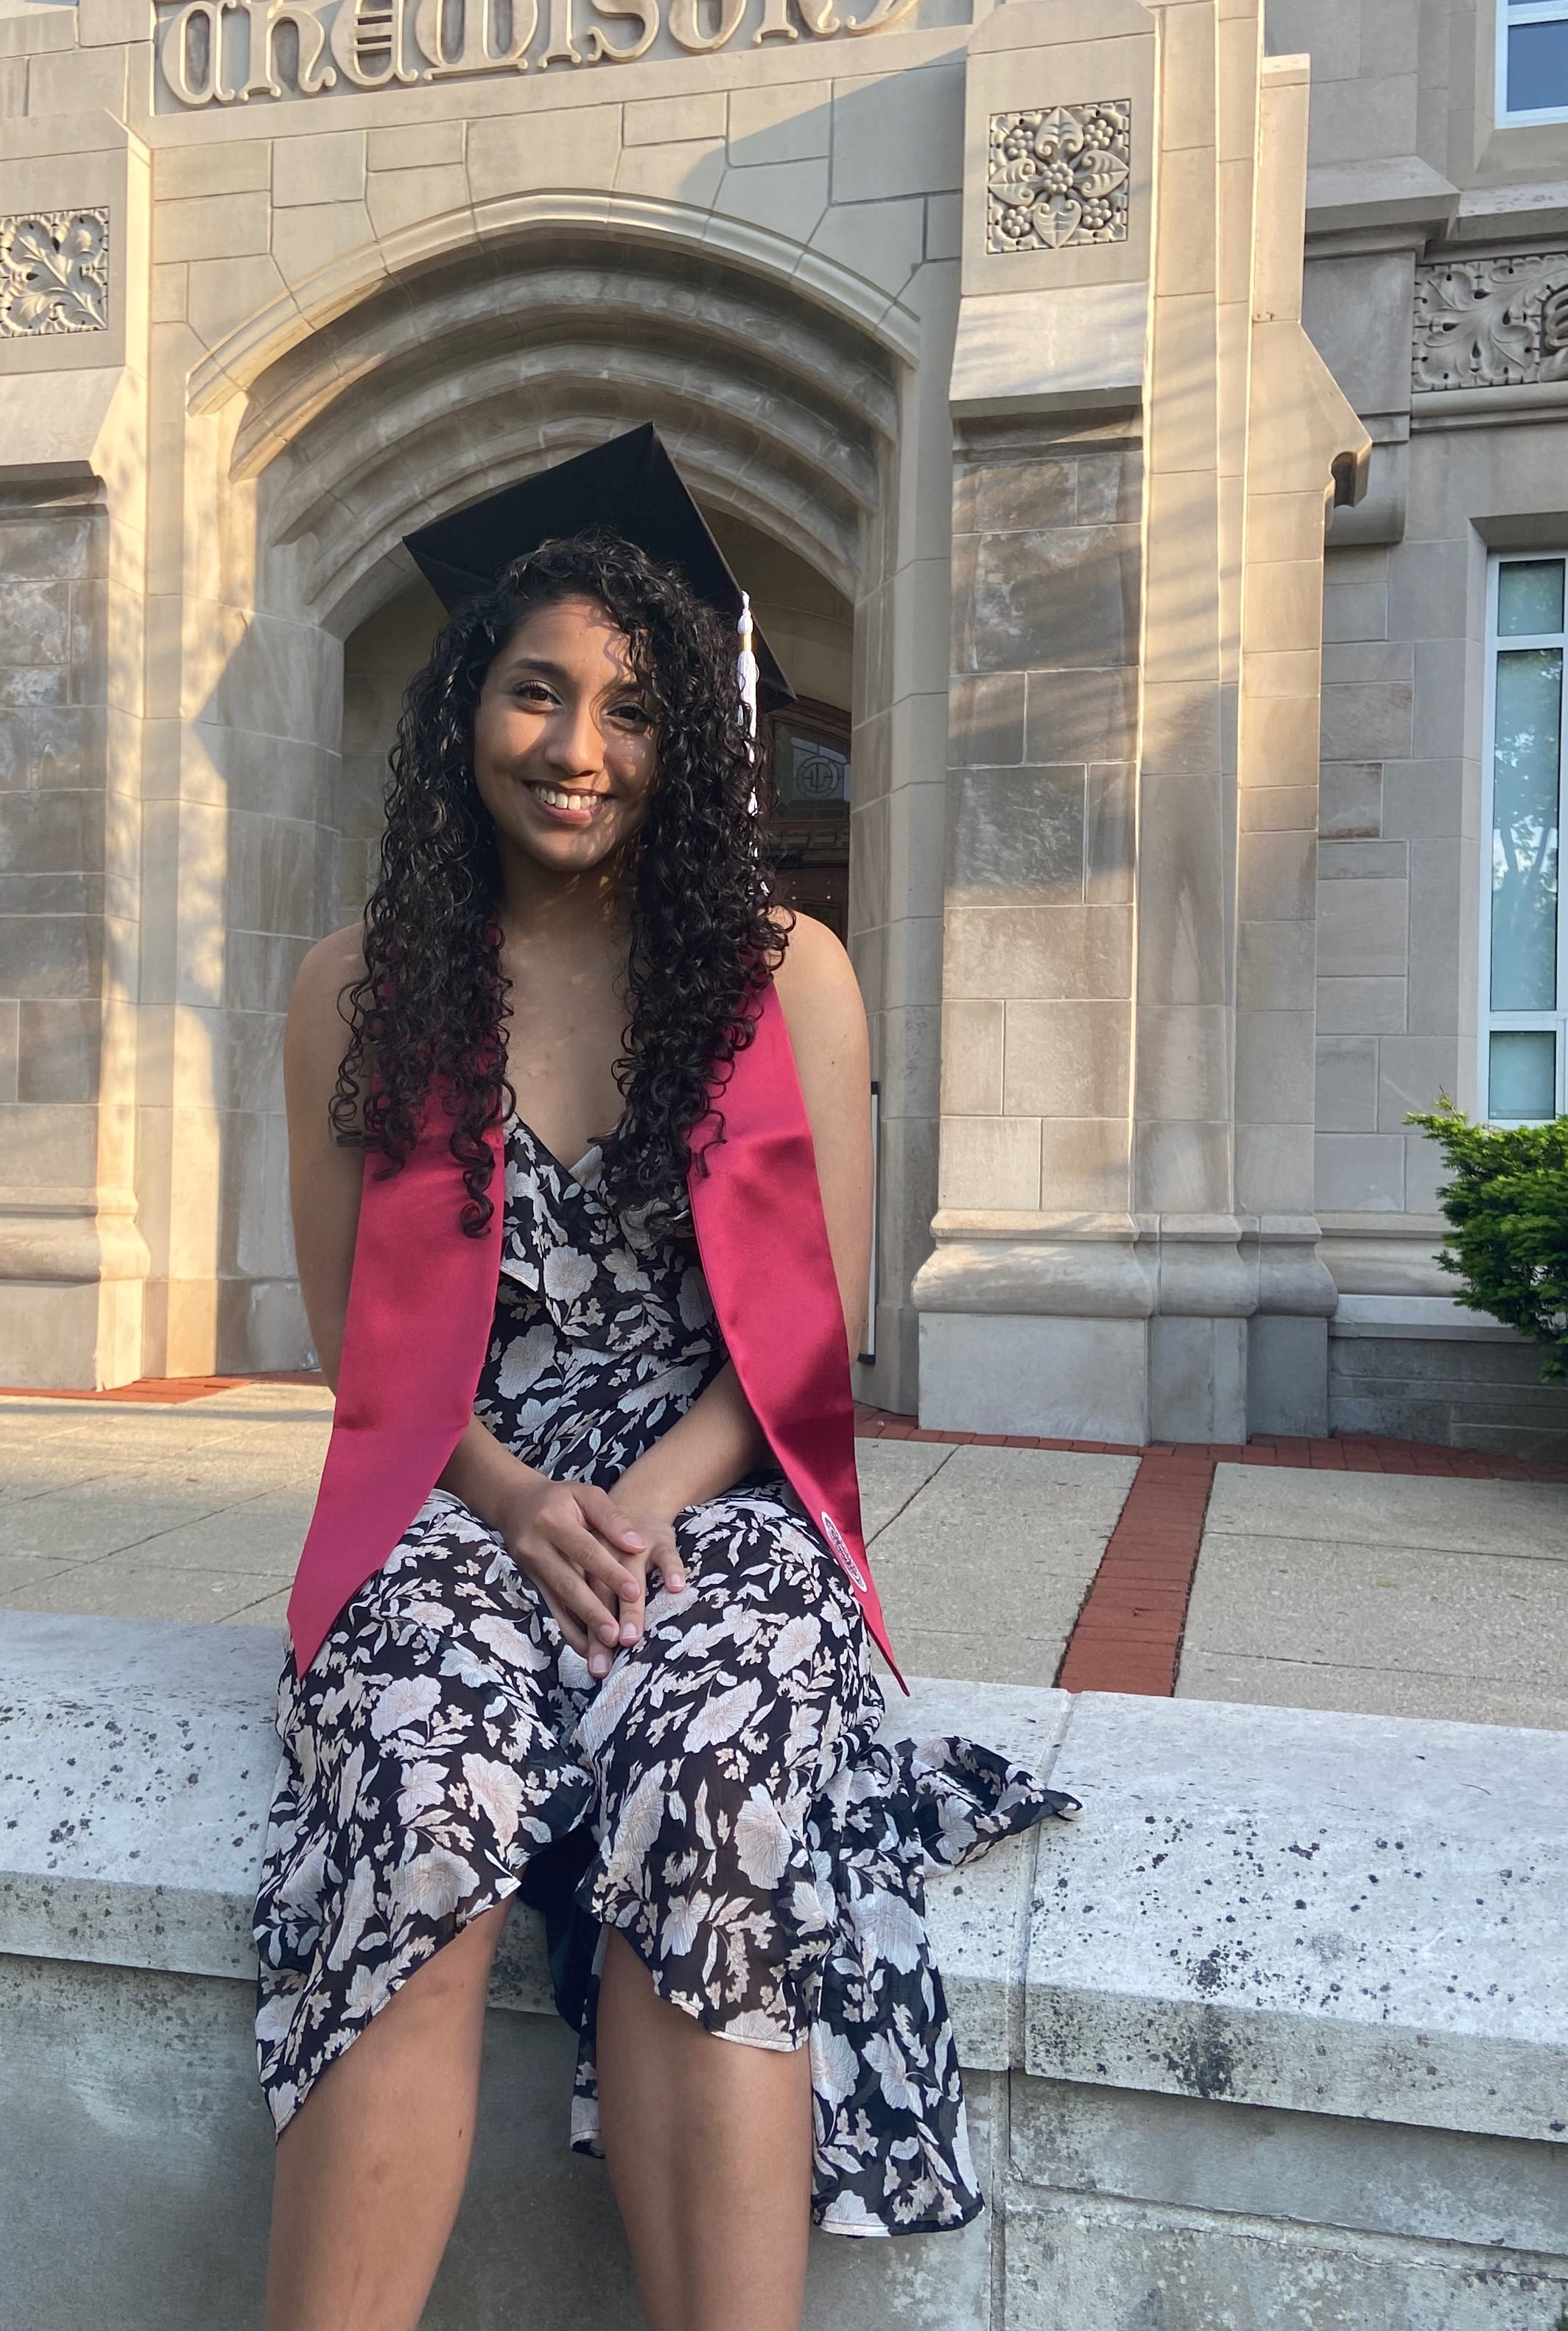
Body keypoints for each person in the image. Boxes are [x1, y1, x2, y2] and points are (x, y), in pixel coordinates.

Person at [255, 433, 1073, 2331]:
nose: (578, 746)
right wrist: (520, 1500)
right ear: (470, 701)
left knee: (710, 1775)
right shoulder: (357, 987)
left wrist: (641, 1502)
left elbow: (815, 1325)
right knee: (423, 1780)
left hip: (721, 1488)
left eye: (632, 708)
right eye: (538, 688)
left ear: (690, 740)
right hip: (459, 1489)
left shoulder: (785, 973)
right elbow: (349, 1342)